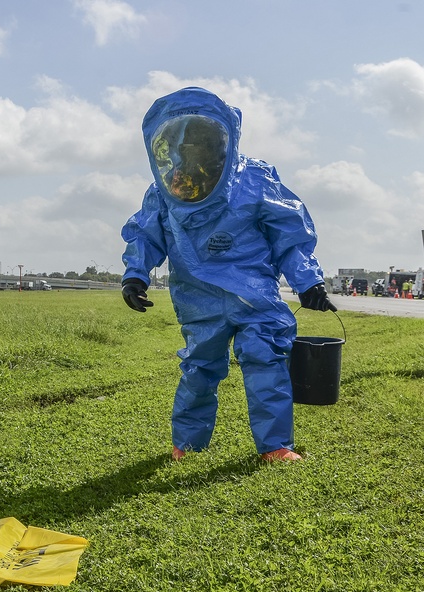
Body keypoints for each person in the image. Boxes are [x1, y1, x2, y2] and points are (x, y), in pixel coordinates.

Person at [119, 87, 336, 463]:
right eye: (183, 148)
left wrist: (308, 281)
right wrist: (134, 274)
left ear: (223, 143)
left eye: (201, 144)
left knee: (265, 359)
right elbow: (145, 233)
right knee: (199, 368)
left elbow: (289, 234)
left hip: (255, 295)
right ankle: (187, 445)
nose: (192, 155)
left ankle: (275, 446)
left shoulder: (254, 178)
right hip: (197, 297)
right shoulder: (164, 192)